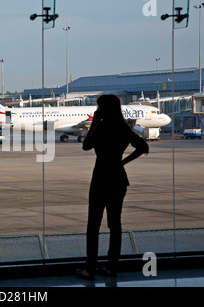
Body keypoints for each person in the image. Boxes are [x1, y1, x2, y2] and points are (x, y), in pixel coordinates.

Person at [77, 95, 149, 280]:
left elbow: (86, 146)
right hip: (118, 178)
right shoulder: (122, 127)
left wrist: (94, 123)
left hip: (101, 178)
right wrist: (122, 162)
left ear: (102, 109)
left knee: (93, 225)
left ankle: (90, 269)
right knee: (114, 225)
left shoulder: (100, 127)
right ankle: (111, 267)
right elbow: (142, 147)